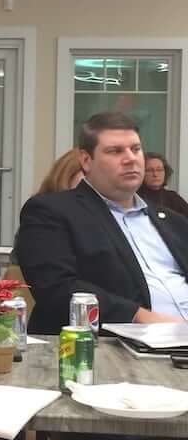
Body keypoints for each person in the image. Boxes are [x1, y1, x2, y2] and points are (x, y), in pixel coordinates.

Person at [17, 111, 188, 335]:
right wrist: (141, 317)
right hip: (117, 347)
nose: (130, 158)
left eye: (135, 149)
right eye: (115, 151)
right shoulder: (51, 211)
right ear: (86, 160)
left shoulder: (173, 221)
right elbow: (57, 288)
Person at [139, 151, 188, 217]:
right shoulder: (134, 197)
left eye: (159, 170)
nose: (155, 174)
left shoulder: (173, 197)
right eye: (149, 170)